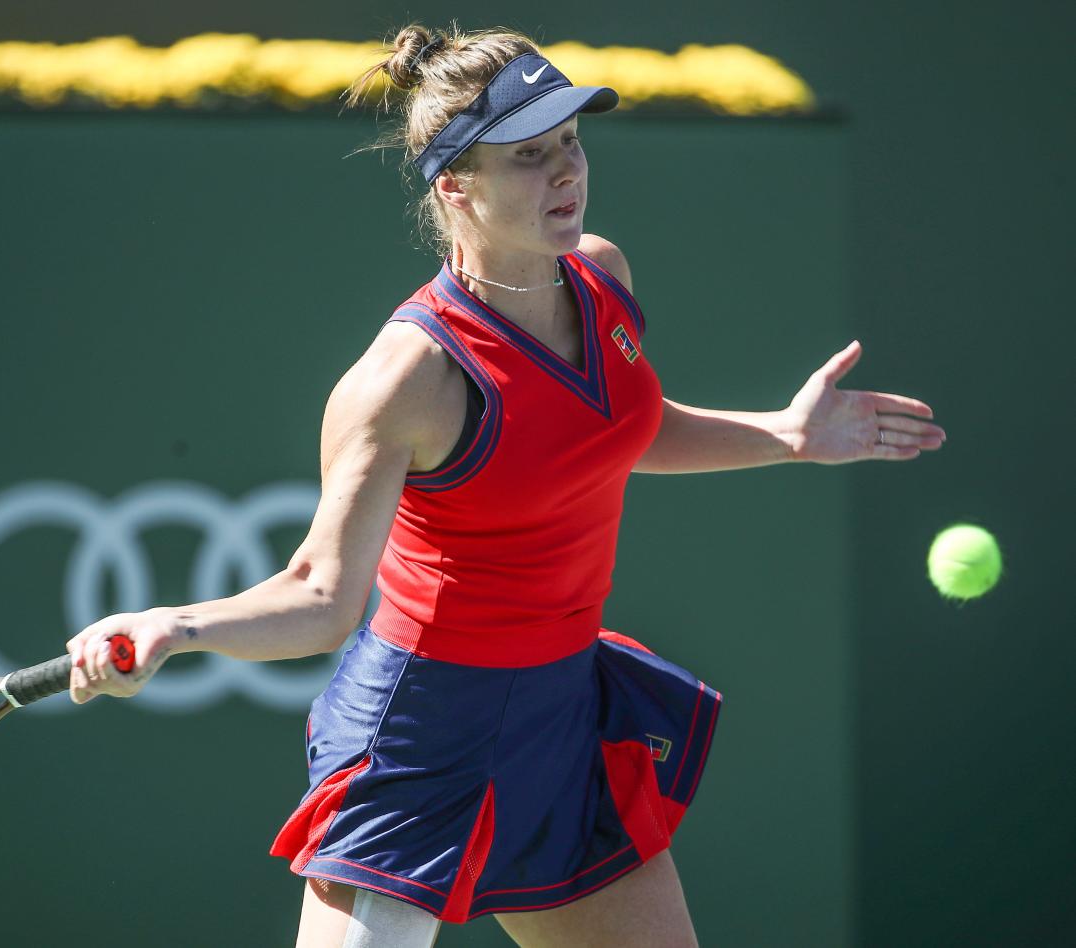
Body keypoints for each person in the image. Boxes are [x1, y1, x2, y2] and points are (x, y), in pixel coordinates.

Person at [65, 23, 946, 948]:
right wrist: (174, 625)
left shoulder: (602, 276)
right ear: (456, 186)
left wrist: (785, 437)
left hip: (561, 716)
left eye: (571, 142)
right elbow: (320, 599)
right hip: (421, 739)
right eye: (529, 157)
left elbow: (615, 430)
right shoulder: (408, 379)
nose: (566, 172)